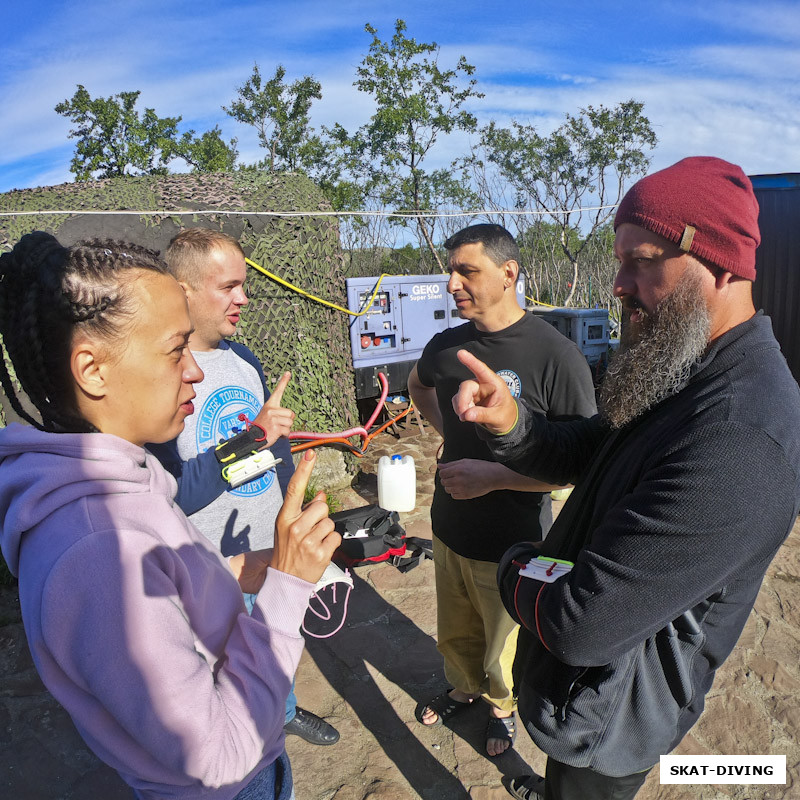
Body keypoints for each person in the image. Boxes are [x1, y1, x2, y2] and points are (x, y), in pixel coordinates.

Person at [451, 158, 800, 799]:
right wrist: (512, 426)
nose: (618, 283)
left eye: (642, 260)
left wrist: (515, 562)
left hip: (612, 720)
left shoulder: (742, 436)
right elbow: (596, 445)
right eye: (619, 262)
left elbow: (586, 624)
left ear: (722, 264)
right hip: (581, 692)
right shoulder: (682, 355)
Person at [0, 233, 340, 800]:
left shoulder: (122, 485)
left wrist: (252, 567)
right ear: (93, 369)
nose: (196, 372)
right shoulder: (98, 550)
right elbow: (219, 757)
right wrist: (284, 592)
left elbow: (174, 587)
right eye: (174, 349)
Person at [407, 224, 597, 757]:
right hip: (448, 527)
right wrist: (449, 433)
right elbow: (417, 385)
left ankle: (501, 709)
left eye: (466, 270)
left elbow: (581, 468)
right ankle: (463, 690)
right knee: (455, 630)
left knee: (504, 643)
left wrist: (496, 475)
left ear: (508, 273)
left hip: (513, 541)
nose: (451, 283)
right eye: (451, 270)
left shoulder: (555, 357)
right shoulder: (447, 347)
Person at [148, 228, 340, 747]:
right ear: (183, 290)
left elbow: (271, 455)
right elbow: (173, 492)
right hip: (211, 572)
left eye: (244, 285)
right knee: (224, 682)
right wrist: (250, 437)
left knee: (277, 641)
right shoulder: (162, 377)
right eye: (229, 286)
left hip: (267, 553)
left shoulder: (245, 360)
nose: (244, 298)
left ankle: (286, 710)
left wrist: (290, 513)